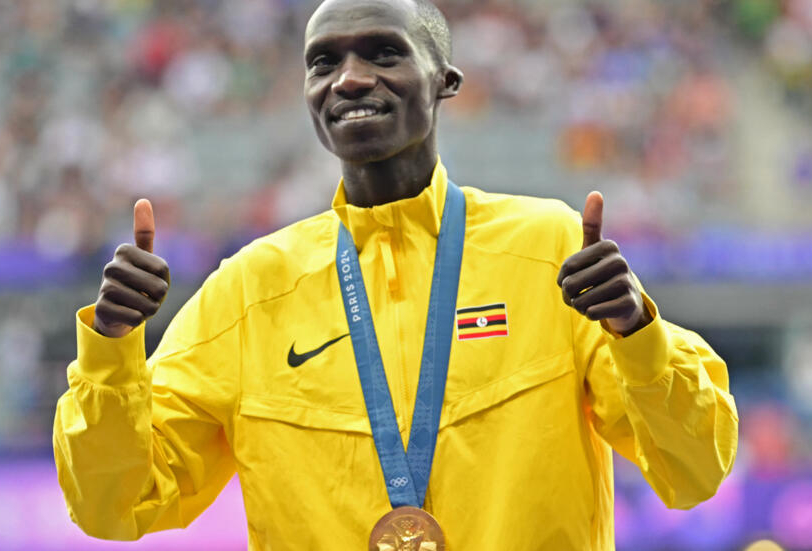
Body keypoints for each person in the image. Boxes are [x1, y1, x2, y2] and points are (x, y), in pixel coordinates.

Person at [53, 0, 739, 548]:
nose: (349, 77)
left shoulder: (547, 248)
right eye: (323, 63)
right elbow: (115, 504)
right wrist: (112, 351)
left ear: (446, 81)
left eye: (383, 52)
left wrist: (636, 331)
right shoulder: (250, 290)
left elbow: (693, 468)